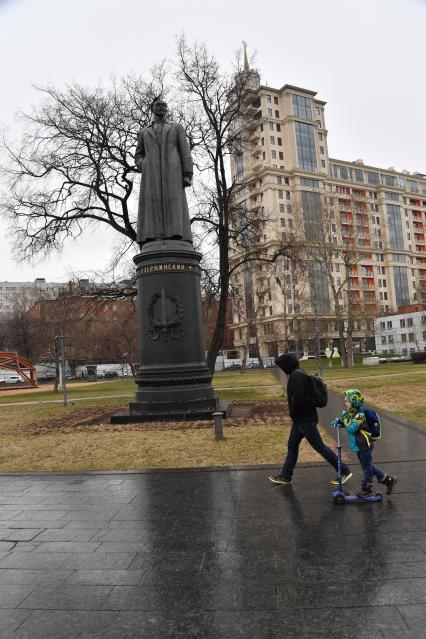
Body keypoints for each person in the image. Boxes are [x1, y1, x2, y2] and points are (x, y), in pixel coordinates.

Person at [269, 353, 352, 485]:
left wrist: (294, 410)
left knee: (320, 447)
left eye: (281, 366)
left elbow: (300, 399)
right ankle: (286, 476)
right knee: (292, 446)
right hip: (300, 420)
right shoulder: (299, 372)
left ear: (287, 365)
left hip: (305, 420)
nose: (281, 369)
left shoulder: (296, 376)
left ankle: (344, 471)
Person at [135, 98, 193, 245]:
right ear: (152, 109)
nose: (161, 107)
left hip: (173, 171)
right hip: (151, 173)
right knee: (152, 203)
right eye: (158, 105)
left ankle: (175, 234)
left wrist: (187, 174)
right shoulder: (144, 132)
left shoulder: (176, 127)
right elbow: (138, 154)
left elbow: (185, 151)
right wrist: (143, 164)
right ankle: (154, 236)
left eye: (164, 105)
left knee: (174, 201)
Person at [331, 388, 397, 497]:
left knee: (366, 467)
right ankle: (388, 480)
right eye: (345, 400)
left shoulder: (360, 415)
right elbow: (348, 422)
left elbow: (352, 428)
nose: (345, 403)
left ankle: (367, 488)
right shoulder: (353, 413)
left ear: (355, 402)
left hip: (364, 444)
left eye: (347, 401)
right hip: (359, 444)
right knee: (367, 465)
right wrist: (339, 421)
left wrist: (345, 419)